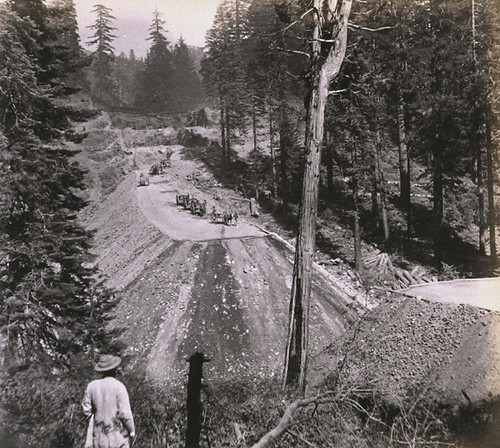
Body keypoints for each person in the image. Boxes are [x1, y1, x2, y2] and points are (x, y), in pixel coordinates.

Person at [82, 354, 135, 448]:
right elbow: (125, 414)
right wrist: (131, 430)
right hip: (118, 438)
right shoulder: (119, 387)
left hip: (98, 437)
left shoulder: (92, 386)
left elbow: (86, 411)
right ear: (115, 369)